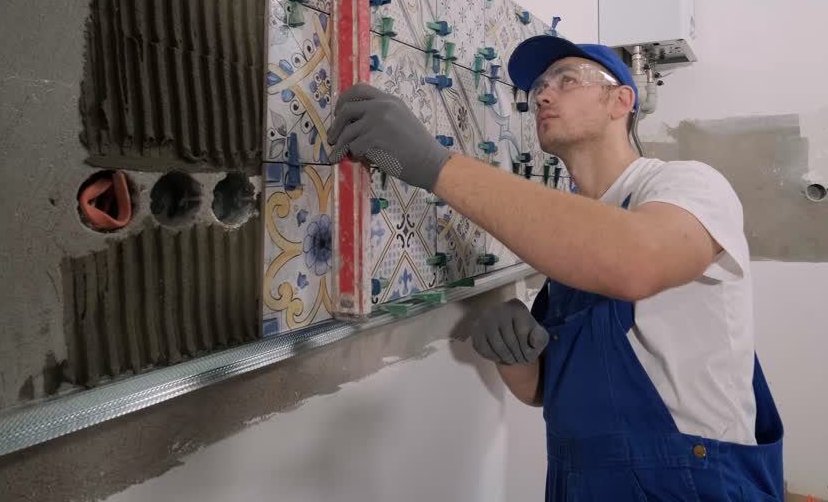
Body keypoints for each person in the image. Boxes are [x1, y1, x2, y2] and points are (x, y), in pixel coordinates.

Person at [328, 34, 783, 501]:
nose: (543, 94)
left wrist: (435, 165)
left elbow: (636, 260)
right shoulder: (565, 230)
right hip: (580, 480)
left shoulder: (687, 184)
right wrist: (513, 353)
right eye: (540, 86)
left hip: (692, 483)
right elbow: (542, 391)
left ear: (621, 100)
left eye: (566, 80)